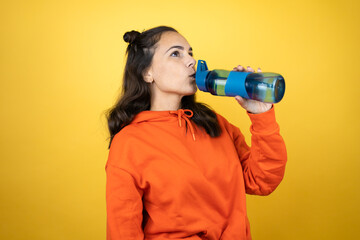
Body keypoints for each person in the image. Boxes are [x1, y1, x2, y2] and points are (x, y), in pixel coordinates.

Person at [105, 26, 287, 240]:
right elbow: (123, 232)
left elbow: (262, 180)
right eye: (176, 53)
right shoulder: (129, 143)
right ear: (147, 73)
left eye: (190, 53)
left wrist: (261, 114)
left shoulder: (214, 123)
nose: (191, 61)